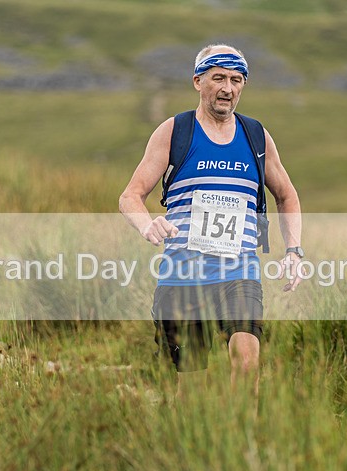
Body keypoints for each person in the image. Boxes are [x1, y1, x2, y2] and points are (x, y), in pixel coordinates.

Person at [119, 43, 303, 401]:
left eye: (236, 80)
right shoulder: (175, 132)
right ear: (198, 81)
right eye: (218, 78)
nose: (227, 88)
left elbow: (287, 195)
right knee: (191, 391)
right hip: (183, 276)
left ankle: (241, 435)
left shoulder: (256, 137)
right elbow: (130, 196)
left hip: (240, 271)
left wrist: (294, 250)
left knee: (247, 362)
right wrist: (146, 225)